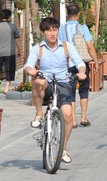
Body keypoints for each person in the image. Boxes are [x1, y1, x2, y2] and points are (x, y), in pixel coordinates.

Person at [24, 17, 87, 164]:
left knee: (68, 114)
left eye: (54, 30)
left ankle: (63, 148)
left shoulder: (67, 47)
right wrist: (30, 70)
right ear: (43, 32)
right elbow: (28, 64)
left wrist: (81, 72)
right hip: (46, 83)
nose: (52, 33)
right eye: (48, 30)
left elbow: (79, 62)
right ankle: (39, 115)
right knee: (38, 82)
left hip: (63, 83)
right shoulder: (38, 48)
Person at [59, 3, 99, 128]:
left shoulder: (61, 29)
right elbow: (89, 46)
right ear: (79, 14)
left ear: (67, 14)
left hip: (68, 63)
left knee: (70, 91)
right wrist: (96, 61)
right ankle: (83, 117)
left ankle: (73, 120)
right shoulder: (83, 28)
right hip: (82, 62)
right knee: (84, 89)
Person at [0, 9, 21, 94]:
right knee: (9, 70)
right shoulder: (13, 27)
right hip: (10, 53)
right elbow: (17, 40)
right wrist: (19, 50)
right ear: (9, 17)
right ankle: (6, 89)